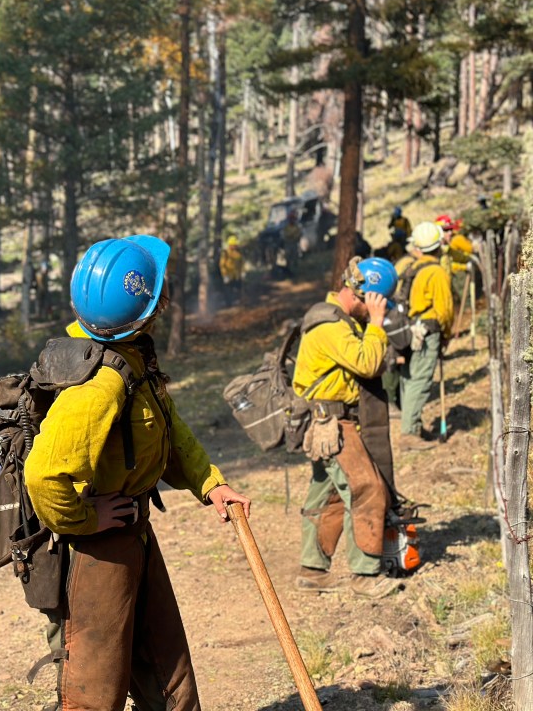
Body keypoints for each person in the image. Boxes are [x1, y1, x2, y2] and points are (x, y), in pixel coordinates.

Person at [24, 235, 251, 711]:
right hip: (94, 554)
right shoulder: (99, 385)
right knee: (94, 693)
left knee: (170, 678)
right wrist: (86, 519)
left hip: (133, 535)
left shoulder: (132, 361)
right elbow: (43, 475)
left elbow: (166, 430)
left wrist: (210, 484)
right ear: (146, 307)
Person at [293, 256, 402, 599]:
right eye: (376, 302)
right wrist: (378, 322)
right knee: (368, 488)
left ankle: (312, 571)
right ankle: (365, 574)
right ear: (363, 295)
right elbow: (368, 363)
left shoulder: (337, 321)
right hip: (331, 424)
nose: (375, 310)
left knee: (327, 498)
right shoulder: (329, 325)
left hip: (333, 420)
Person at [399, 222, 454, 451]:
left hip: (409, 330)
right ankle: (409, 432)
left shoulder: (411, 267)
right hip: (428, 330)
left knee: (409, 379)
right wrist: (447, 335)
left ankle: (414, 424)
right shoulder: (436, 272)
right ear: (438, 245)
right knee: (420, 380)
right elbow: (444, 309)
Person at [435, 214, 475, 304]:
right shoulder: (436, 252)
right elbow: (450, 266)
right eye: (446, 230)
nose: (450, 233)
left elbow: (458, 257)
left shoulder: (447, 248)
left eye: (450, 229)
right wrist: (464, 267)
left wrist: (470, 259)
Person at [218, 235, 245, 306]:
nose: (235, 246)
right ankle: (229, 304)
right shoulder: (225, 253)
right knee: (228, 290)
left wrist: (242, 272)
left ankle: (239, 302)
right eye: (234, 245)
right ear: (230, 245)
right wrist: (225, 275)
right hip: (228, 275)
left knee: (238, 289)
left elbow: (241, 262)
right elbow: (222, 265)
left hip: (237, 275)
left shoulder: (238, 253)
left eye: (236, 245)